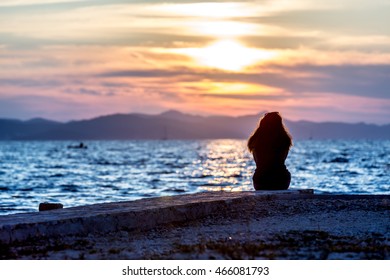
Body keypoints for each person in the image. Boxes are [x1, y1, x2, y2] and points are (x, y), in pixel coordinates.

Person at [247, 112, 292, 190]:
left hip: (261, 181)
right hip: (281, 181)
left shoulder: (255, 140)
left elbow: (257, 161)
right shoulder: (284, 140)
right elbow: (283, 158)